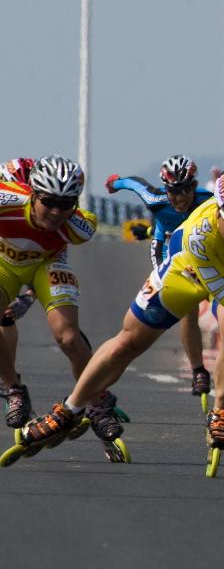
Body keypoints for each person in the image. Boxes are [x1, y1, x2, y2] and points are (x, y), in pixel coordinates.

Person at [8, 67, 224, 467]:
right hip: (187, 271)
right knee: (130, 341)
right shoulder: (200, 233)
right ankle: (70, 408)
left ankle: (221, 413)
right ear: (218, 211)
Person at [0, 156, 118, 452]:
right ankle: (13, 388)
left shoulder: (81, 227)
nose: (55, 212)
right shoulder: (7, 200)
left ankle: (98, 402)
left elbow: (54, 257)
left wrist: (28, 298)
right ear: (33, 194)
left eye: (66, 204)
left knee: (67, 336)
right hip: (4, 262)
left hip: (46, 265)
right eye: (49, 201)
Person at [105, 156, 216, 405]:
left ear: (194, 185)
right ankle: (199, 371)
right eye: (174, 192)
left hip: (202, 253)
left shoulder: (209, 201)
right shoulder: (156, 200)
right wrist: (115, 183)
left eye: (186, 190)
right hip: (168, 252)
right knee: (186, 310)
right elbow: (134, 184)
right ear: (166, 190)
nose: (181, 198)